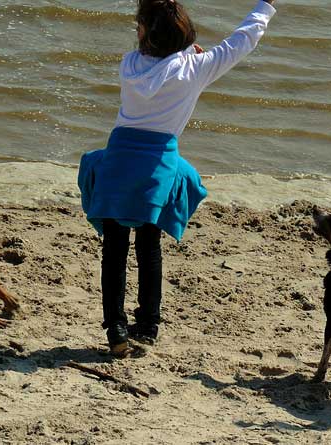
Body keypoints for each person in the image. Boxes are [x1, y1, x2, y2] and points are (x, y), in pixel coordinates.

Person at [79, 0, 277, 356]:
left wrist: (184, 50)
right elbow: (242, 40)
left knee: (114, 249)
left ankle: (116, 327)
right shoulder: (196, 68)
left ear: (147, 35)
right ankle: (148, 325)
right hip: (156, 165)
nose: (135, 31)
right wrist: (265, 6)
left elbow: (160, 59)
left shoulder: (130, 65)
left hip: (120, 158)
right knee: (149, 245)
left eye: (138, 26)